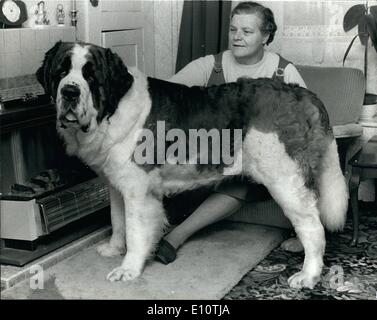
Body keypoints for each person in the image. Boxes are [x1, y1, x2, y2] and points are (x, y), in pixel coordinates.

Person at [155, 1, 306, 264]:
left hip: (260, 162)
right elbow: (167, 95)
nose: (237, 36)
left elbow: (302, 122)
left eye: (247, 31)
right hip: (214, 152)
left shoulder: (283, 71)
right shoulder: (210, 65)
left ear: (266, 36)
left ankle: (175, 237)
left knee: (242, 175)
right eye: (233, 29)